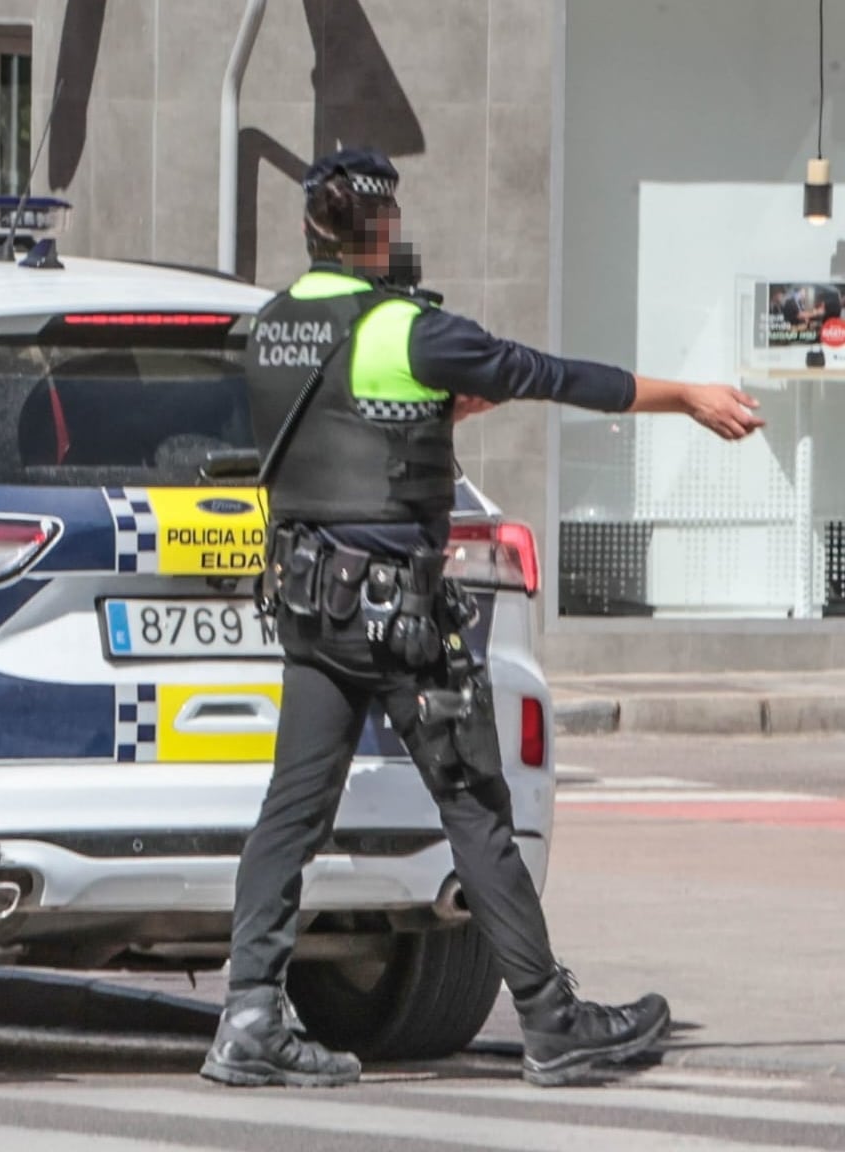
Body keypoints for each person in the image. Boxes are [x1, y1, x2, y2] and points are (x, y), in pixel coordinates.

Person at [204, 147, 763, 1090]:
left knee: (291, 813)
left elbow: (345, 434)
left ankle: (250, 1015)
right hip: (395, 615)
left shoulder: (272, 327)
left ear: (311, 228)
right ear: (381, 229)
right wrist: (685, 396)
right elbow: (547, 374)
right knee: (474, 806)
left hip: (311, 607)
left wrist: (430, 423)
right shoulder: (407, 329)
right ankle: (551, 1019)